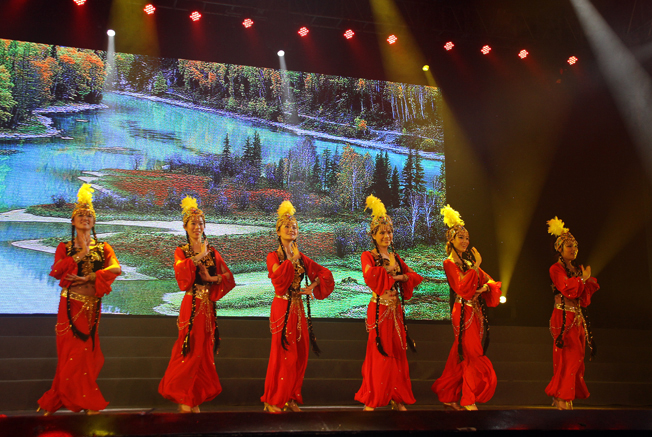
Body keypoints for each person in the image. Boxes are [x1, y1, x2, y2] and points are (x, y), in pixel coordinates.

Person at [37, 184, 122, 415]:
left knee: (87, 356)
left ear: (94, 222)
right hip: (70, 305)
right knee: (71, 355)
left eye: (89, 215)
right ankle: (79, 402)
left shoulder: (103, 247)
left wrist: (91, 276)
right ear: (73, 221)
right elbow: (56, 271)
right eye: (81, 215)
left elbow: (116, 269)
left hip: (92, 308)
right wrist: (81, 254)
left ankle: (66, 401)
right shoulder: (65, 247)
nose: (85, 218)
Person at [159, 196, 235, 413]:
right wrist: (199, 255)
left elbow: (228, 277)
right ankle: (184, 398)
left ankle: (193, 399)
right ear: (185, 226)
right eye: (193, 223)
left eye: (201, 223)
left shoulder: (213, 252)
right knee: (189, 349)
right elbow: (181, 272)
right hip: (192, 305)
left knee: (203, 351)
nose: (197, 227)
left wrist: (211, 279)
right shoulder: (182, 251)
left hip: (207, 307)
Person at [261, 200, 334, 413]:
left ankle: (290, 397)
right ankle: (274, 399)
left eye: (294, 227)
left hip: (298, 308)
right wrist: (291, 260)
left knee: (300, 354)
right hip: (282, 308)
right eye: (287, 226)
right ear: (278, 231)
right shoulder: (273, 256)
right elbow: (279, 279)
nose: (291, 229)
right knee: (283, 354)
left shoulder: (301, 257)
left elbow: (324, 273)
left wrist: (313, 285)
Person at [354, 195, 423, 411]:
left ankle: (396, 397)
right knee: (380, 352)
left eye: (389, 232)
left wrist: (400, 276)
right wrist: (391, 269)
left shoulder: (396, 256)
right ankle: (373, 399)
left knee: (398, 353)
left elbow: (415, 276)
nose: (387, 236)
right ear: (373, 235)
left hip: (396, 311)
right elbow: (371, 277)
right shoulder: (368, 256)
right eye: (382, 232)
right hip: (379, 309)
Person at [432, 205, 501, 411]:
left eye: (467, 238)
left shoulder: (469, 263)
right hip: (462, 312)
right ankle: (468, 399)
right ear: (451, 240)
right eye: (460, 238)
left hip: (476, 312)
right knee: (472, 354)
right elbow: (462, 286)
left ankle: (448, 394)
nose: (465, 241)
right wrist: (477, 266)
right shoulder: (449, 263)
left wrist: (484, 287)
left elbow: (491, 281)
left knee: (459, 353)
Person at [545, 217, 599, 410]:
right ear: (559, 248)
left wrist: (586, 282)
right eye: (569, 246)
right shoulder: (556, 269)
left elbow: (583, 300)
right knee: (567, 357)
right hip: (563, 318)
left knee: (577, 358)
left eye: (575, 246)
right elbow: (567, 288)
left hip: (577, 318)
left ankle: (563, 396)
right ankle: (562, 397)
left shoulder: (577, 270)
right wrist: (582, 280)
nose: (573, 249)